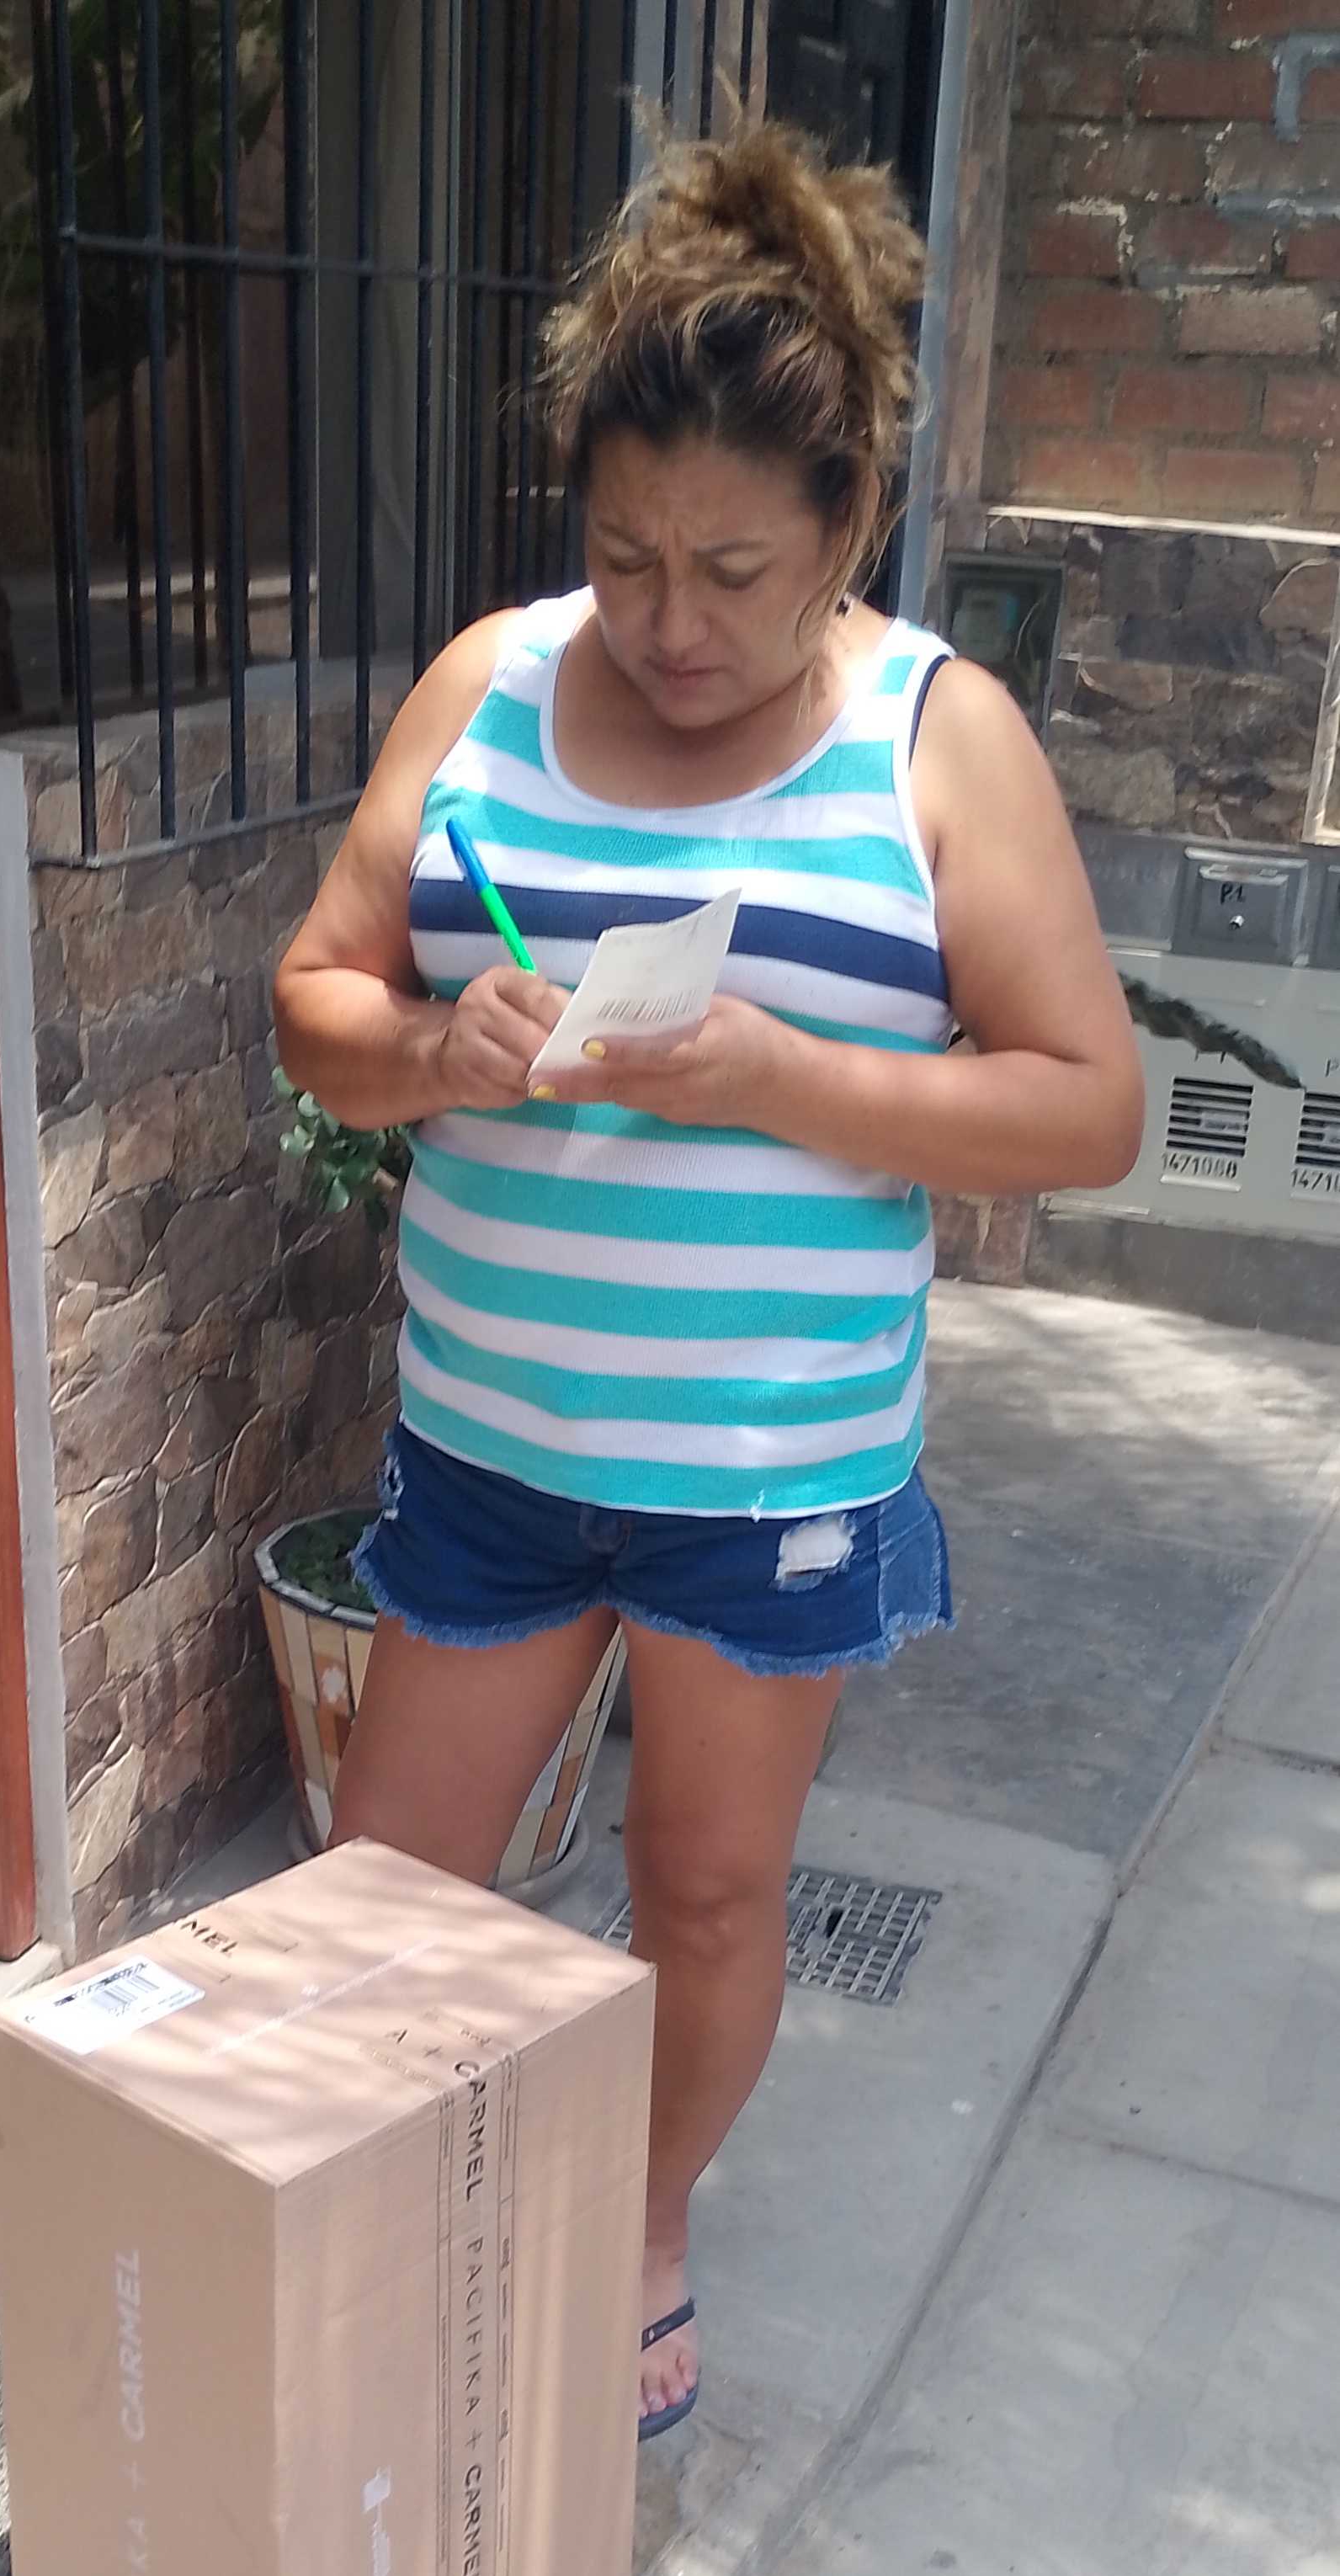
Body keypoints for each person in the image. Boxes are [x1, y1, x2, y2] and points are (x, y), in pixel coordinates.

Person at [272, 120, 1143, 2443]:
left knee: (713, 1898)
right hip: (491, 1446)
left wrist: (784, 1077)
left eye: (734, 570)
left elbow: (1087, 1104)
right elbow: (317, 1004)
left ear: (847, 525)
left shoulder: (933, 737)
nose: (669, 622)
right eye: (625, 555)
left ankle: (642, 2224)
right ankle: (370, 2224)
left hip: (767, 1480)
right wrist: (427, 1054)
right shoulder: (488, 684)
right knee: (384, 1890)